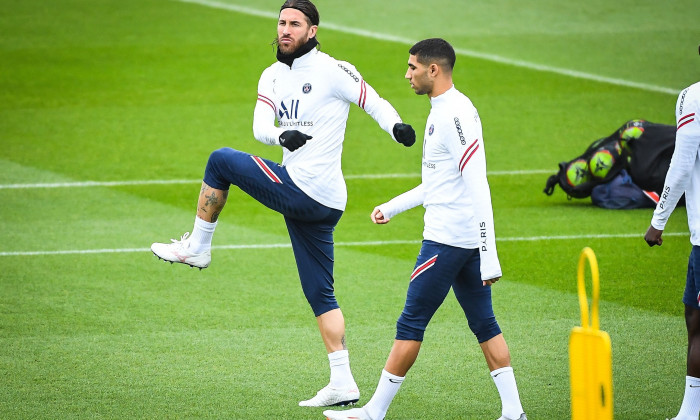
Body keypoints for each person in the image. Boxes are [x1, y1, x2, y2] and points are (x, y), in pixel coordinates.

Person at [150, 0, 416, 408]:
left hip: (310, 189)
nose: (285, 30)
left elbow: (373, 102)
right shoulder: (272, 75)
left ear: (312, 31)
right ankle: (343, 381)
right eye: (281, 23)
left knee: (221, 160)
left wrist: (395, 127)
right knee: (319, 293)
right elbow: (260, 127)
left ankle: (198, 247)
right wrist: (281, 136)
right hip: (310, 198)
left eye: (294, 23)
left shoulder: (334, 70)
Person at [324, 38, 526, 420]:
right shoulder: (446, 110)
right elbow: (441, 181)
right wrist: (394, 206)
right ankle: (514, 412)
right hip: (460, 239)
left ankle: (374, 412)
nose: (407, 74)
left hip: (447, 242)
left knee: (411, 321)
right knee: (484, 323)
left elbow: (477, 183)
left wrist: (490, 256)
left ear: (434, 70)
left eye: (413, 67)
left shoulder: (454, 115)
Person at [644, 54, 700, 420]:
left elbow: (681, 165)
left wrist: (658, 220)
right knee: (693, 316)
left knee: (698, 326)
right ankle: (689, 412)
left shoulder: (693, 97)